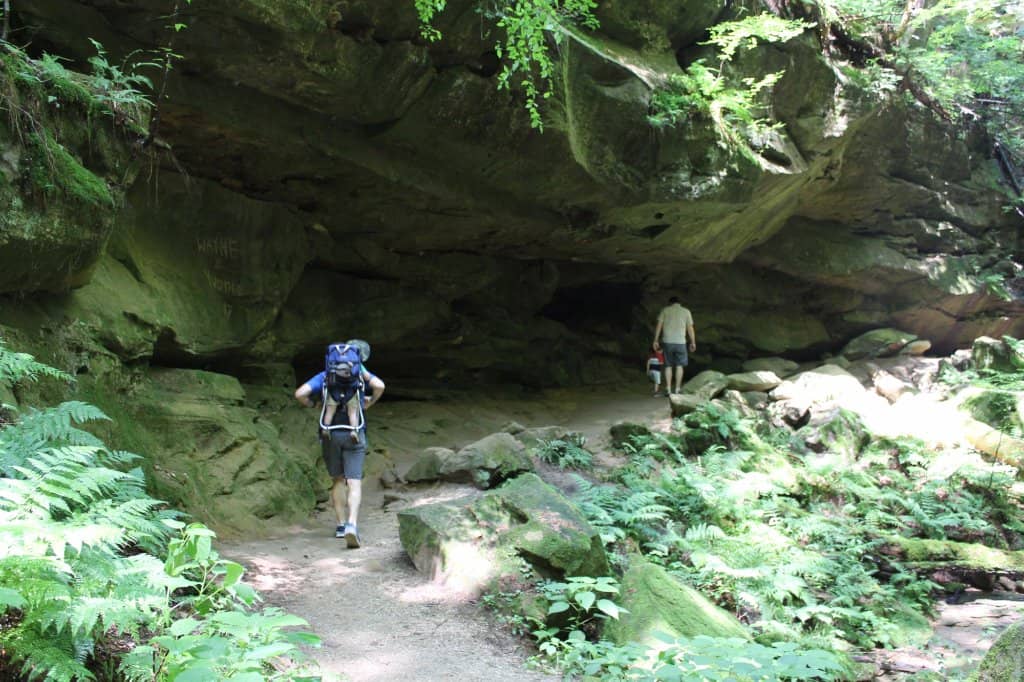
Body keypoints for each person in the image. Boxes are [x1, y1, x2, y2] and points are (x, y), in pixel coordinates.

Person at [294, 363, 385, 548]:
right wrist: (370, 402)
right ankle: (352, 523)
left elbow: (300, 393)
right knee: (354, 481)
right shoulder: (360, 373)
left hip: (331, 435)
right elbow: (380, 386)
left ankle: (341, 525)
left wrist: (314, 404)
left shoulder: (325, 375)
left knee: (338, 479)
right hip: (354, 434)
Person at [652, 296, 696, 395]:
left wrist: (656, 340)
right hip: (681, 342)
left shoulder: (665, 310)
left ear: (670, 303)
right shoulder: (686, 311)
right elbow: (690, 328)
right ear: (680, 303)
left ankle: (668, 389)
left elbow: (659, 326)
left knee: (668, 366)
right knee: (679, 366)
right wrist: (693, 342)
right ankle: (677, 389)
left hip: (668, 341)